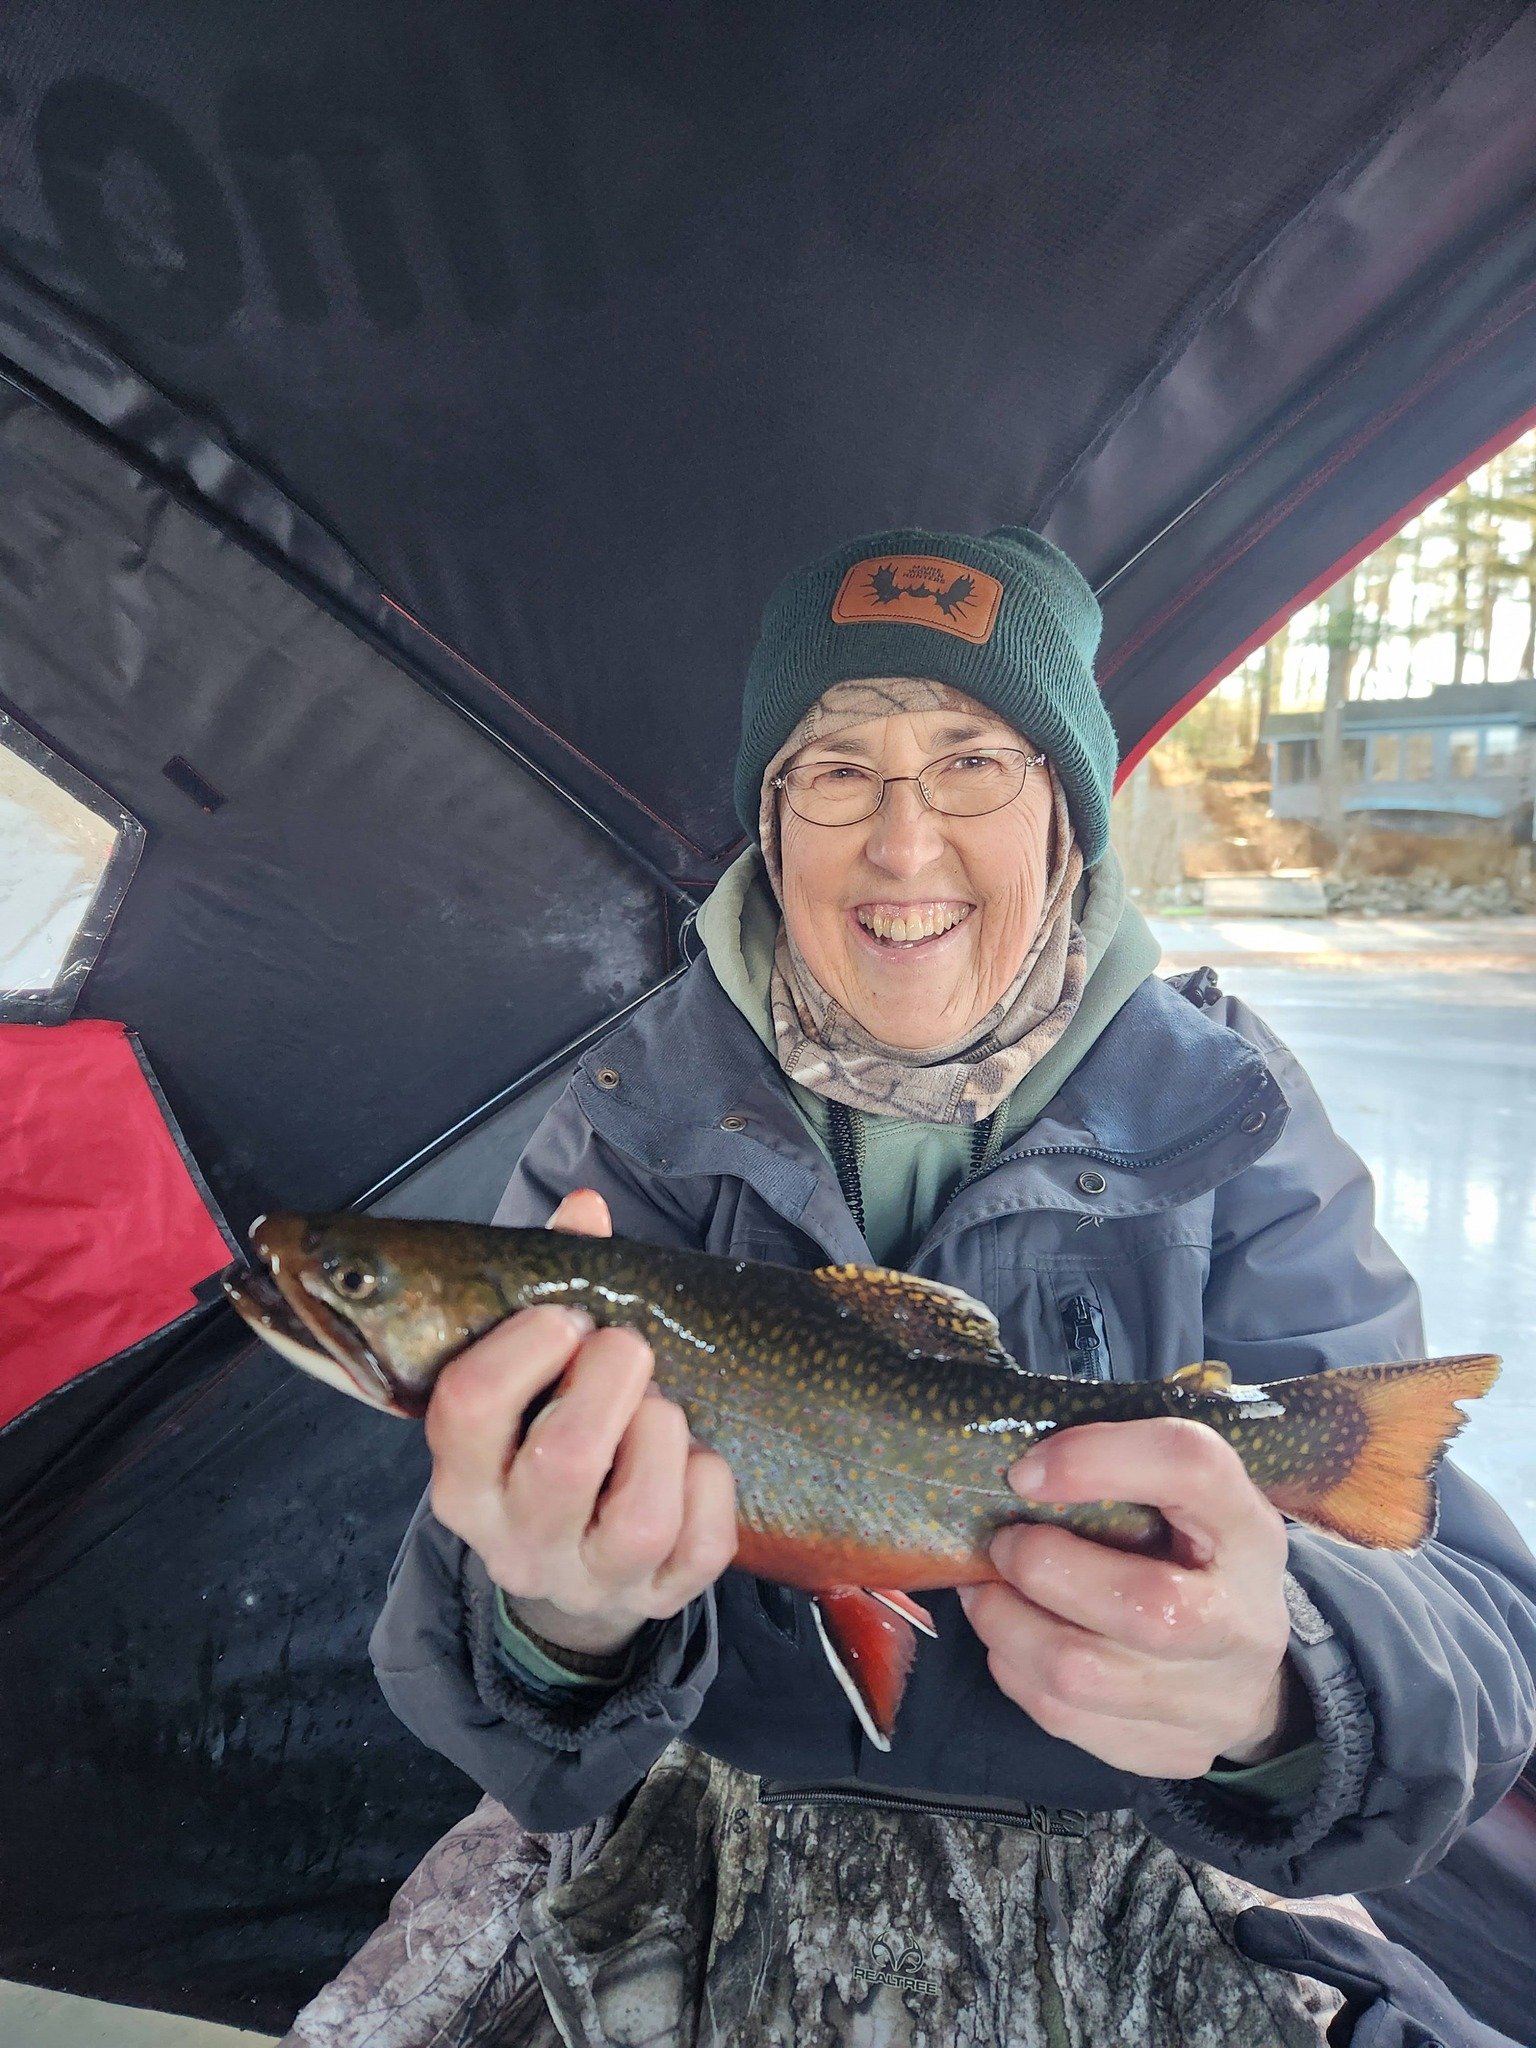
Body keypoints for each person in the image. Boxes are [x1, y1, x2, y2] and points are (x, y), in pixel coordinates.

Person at [366, 528, 1536, 2045]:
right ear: (769, 828)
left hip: (1155, 1863)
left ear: (1067, 813)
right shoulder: (618, 1130)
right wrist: (554, 1628)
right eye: (838, 770)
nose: (902, 846)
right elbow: (492, 1712)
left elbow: (1470, 1646)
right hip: (706, 1840)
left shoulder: (1236, 1117)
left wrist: (1273, 1692)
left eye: (972, 764)